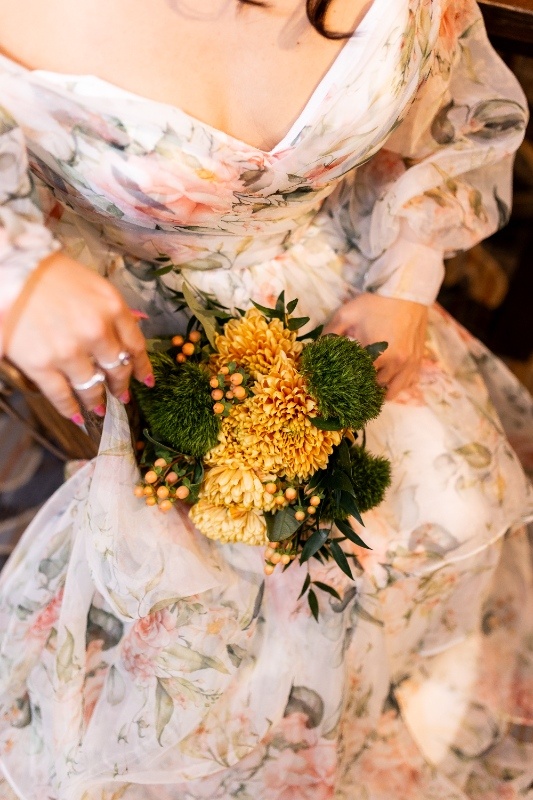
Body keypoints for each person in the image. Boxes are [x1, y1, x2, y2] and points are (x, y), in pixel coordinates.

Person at [0, 0, 532, 797]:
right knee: (196, 639)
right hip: (145, 350)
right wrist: (17, 273)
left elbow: (444, 108)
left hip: (340, 293)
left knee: (426, 533)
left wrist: (411, 279)